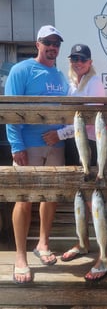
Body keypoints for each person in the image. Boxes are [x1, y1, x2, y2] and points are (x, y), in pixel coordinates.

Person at [5, 25, 69, 284]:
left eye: (56, 42)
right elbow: (10, 108)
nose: (52, 46)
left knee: (50, 196)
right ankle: (20, 257)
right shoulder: (21, 70)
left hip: (56, 145)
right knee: (24, 200)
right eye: (47, 42)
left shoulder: (61, 75)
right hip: (28, 146)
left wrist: (61, 135)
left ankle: (43, 243)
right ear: (37, 44)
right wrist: (16, 145)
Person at [42, 44, 105, 271]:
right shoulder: (70, 83)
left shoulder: (95, 82)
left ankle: (103, 252)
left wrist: (59, 134)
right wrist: (63, 134)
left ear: (89, 62)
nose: (77, 62)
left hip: (89, 145)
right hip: (72, 145)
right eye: (74, 58)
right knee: (79, 198)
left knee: (92, 201)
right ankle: (83, 243)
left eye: (82, 59)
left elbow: (87, 121)